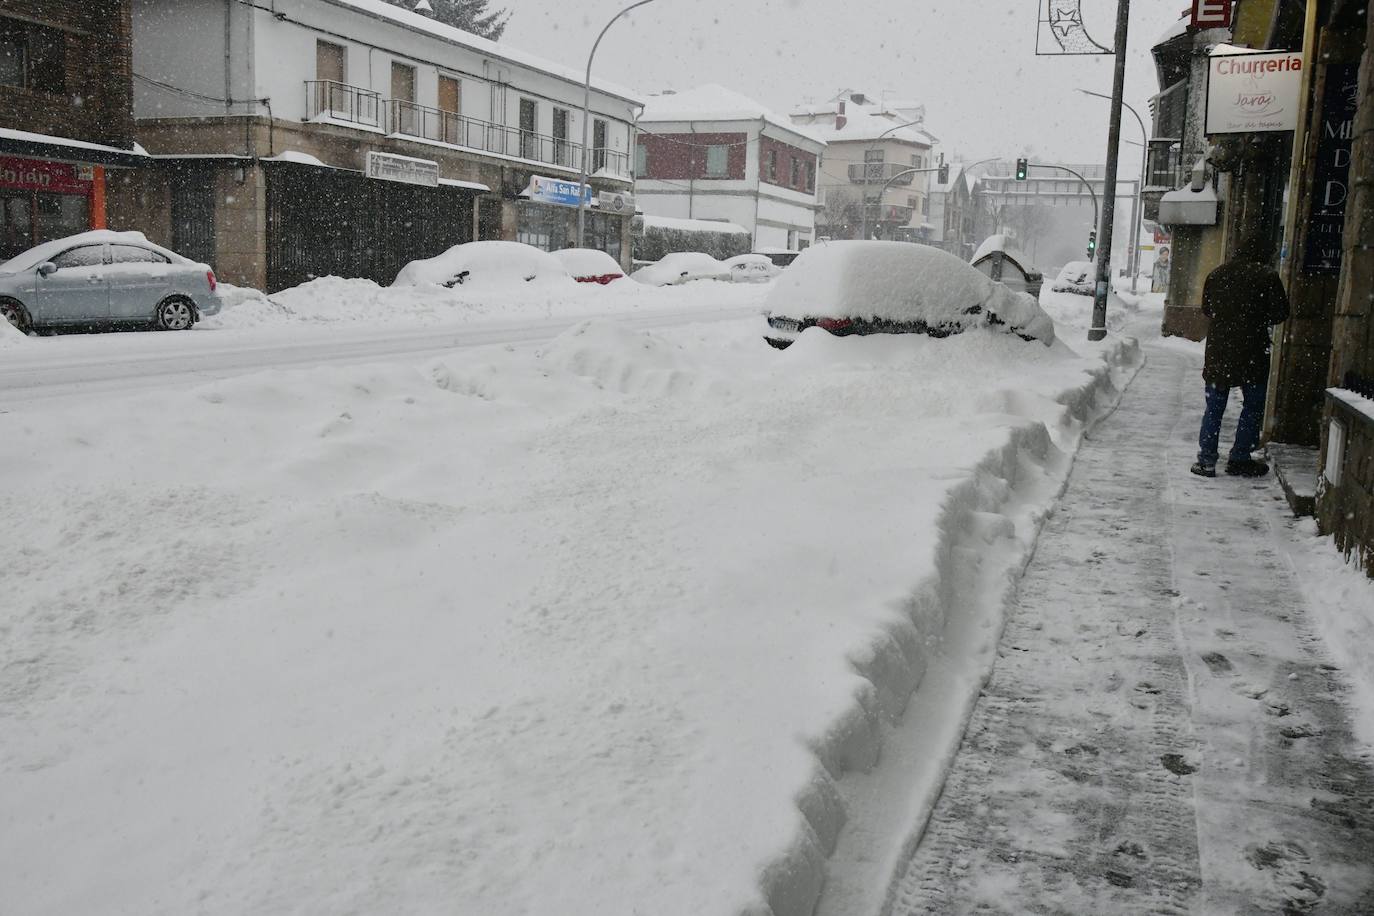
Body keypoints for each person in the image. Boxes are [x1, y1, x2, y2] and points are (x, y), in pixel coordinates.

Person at [1191, 234, 1290, 478]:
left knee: (1214, 407)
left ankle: (1206, 460)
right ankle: (1239, 457)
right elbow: (1280, 313)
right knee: (1253, 406)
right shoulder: (1267, 276)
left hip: (1219, 352)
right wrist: (1257, 317)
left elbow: (1207, 308)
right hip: (1252, 351)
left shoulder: (1217, 274)